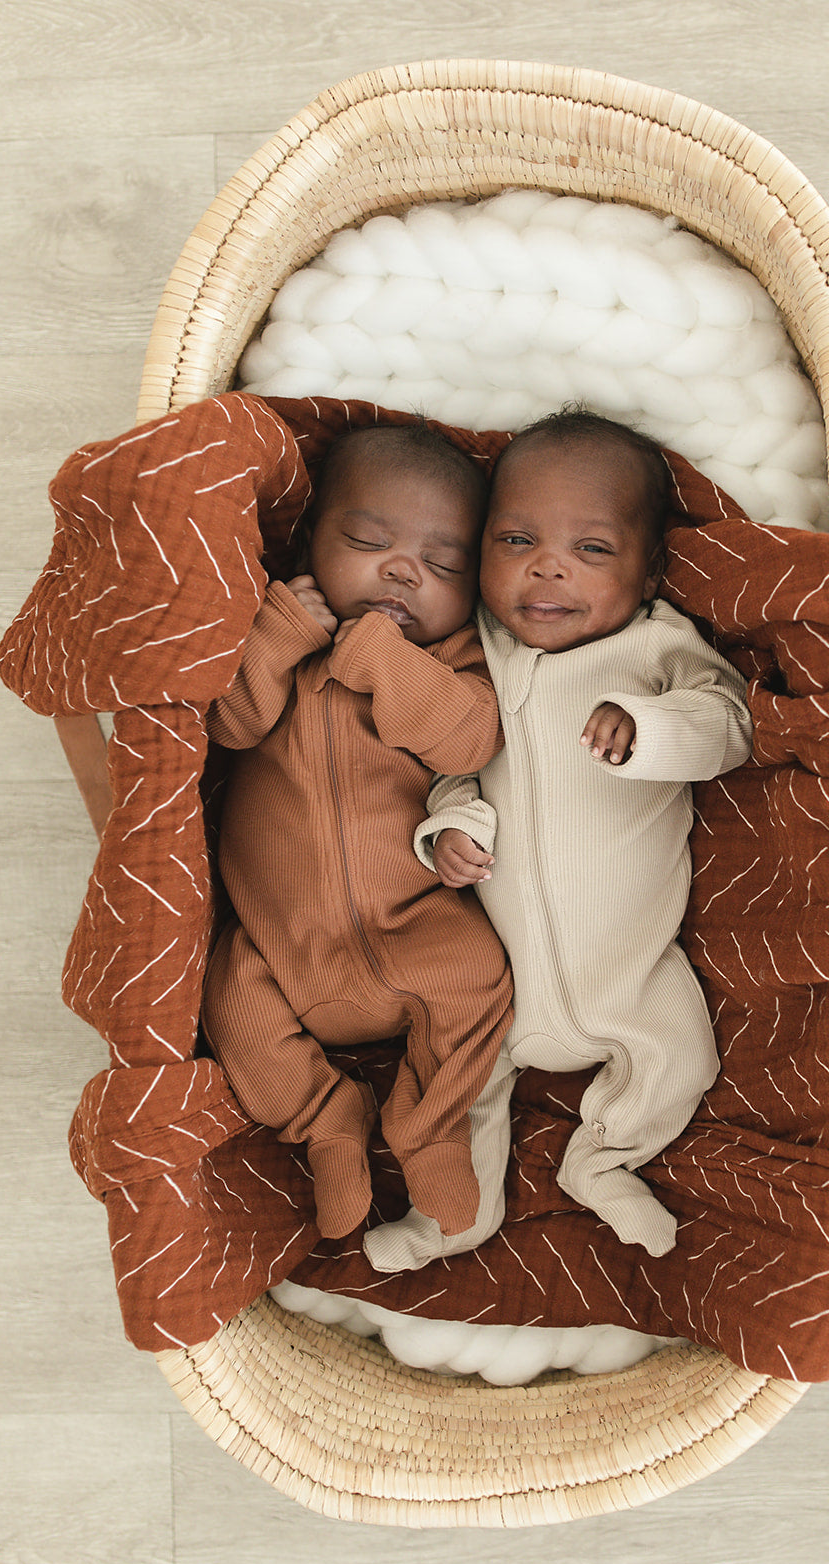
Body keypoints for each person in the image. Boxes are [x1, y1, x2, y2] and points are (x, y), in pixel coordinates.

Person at [364, 408, 751, 1272]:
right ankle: (451, 1219)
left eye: (592, 549)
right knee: (449, 1083)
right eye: (516, 539)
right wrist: (449, 828)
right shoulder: (475, 657)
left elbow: (730, 724)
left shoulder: (655, 647)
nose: (547, 565)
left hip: (632, 967)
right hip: (493, 983)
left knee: (679, 1058)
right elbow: (446, 763)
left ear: (648, 569)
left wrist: (651, 729)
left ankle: (602, 1158)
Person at [201, 423, 513, 1250]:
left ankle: (429, 1128)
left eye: (443, 565)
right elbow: (229, 726)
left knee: (481, 981)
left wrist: (384, 660)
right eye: (370, 541)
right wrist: (275, 636)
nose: (405, 570)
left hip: (413, 926)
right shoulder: (277, 642)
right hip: (280, 945)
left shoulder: (451, 660)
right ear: (312, 540)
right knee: (227, 1001)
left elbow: (469, 740)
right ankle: (327, 1121)